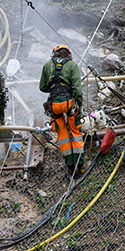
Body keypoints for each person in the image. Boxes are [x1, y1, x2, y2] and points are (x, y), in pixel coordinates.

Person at [39, 44, 84, 176]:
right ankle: (79, 166)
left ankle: (70, 167)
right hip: (69, 103)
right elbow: (77, 89)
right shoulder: (72, 65)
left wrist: (54, 88)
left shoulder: (47, 65)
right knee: (75, 132)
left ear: (55, 53)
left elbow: (42, 87)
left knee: (62, 135)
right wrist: (79, 106)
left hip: (54, 105)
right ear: (68, 54)